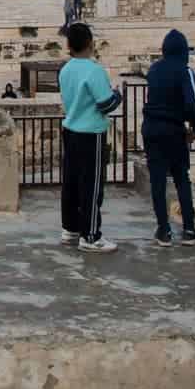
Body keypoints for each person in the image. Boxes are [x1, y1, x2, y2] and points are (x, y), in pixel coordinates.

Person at [59, 22, 123, 253]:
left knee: (72, 182)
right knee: (92, 185)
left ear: (69, 45)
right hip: (91, 134)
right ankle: (91, 235)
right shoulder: (94, 71)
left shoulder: (65, 70)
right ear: (90, 43)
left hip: (71, 130)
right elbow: (106, 104)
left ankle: (70, 229)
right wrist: (118, 95)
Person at [141, 29, 195, 247]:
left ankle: (163, 230)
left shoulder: (154, 70)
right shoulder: (186, 72)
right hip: (173, 130)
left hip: (151, 128)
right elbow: (191, 103)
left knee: (157, 180)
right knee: (181, 179)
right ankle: (188, 229)